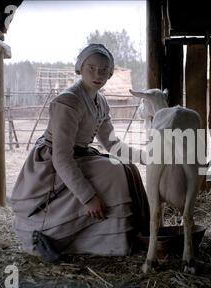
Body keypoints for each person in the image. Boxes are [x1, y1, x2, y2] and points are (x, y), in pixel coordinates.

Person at [9, 44, 149, 260]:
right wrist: (88, 197)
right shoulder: (68, 101)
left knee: (127, 167)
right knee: (113, 171)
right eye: (91, 67)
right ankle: (91, 237)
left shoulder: (100, 102)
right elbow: (61, 157)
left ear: (110, 73)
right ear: (80, 68)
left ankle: (135, 235)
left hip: (80, 155)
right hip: (52, 162)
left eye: (104, 70)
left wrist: (144, 157)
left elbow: (112, 144)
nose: (97, 74)